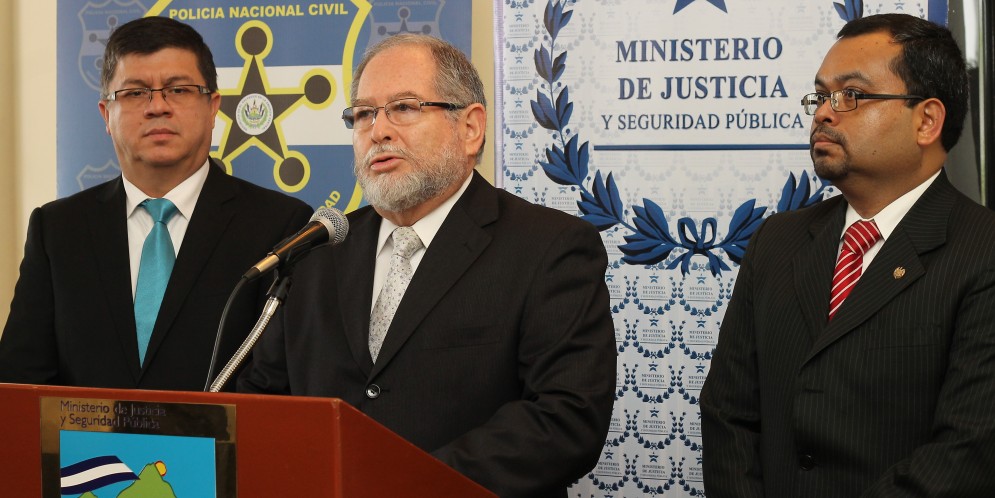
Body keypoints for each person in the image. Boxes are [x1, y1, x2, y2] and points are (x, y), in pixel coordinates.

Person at [238, 33, 616, 497]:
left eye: (404, 107)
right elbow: (265, 399)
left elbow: (565, 419)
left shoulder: (549, 247)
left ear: (470, 127)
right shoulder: (316, 251)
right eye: (363, 114)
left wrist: (407, 484)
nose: (378, 131)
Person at [700, 13, 995, 497]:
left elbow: (967, 451)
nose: (823, 113)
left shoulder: (982, 251)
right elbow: (727, 414)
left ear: (926, 120)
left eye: (851, 95)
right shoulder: (777, 240)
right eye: (820, 96)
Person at [0, 17, 312, 390]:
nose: (157, 107)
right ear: (106, 115)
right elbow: (21, 382)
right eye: (135, 93)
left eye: (178, 90)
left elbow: (280, 381)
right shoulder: (57, 230)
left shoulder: (281, 226)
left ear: (213, 107)